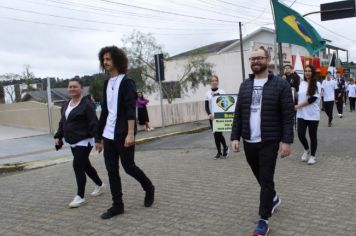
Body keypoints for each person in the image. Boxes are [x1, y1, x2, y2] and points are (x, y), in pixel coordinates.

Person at [231, 46, 294, 236]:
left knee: (265, 179)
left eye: (259, 58)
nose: (255, 61)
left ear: (268, 59)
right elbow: (238, 113)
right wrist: (235, 137)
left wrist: (286, 141)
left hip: (269, 140)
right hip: (249, 140)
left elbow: (287, 115)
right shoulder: (245, 85)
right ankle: (273, 198)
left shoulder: (280, 85)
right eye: (252, 59)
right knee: (261, 177)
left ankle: (264, 220)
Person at [96, 46, 155, 220]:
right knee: (111, 170)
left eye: (108, 59)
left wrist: (131, 134)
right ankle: (117, 205)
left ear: (117, 60)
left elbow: (131, 109)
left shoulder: (127, 82)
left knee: (128, 167)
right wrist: (99, 138)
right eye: (104, 59)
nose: (105, 62)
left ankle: (149, 187)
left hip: (123, 133)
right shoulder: (107, 82)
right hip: (108, 133)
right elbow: (105, 112)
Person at [54, 78, 104, 208]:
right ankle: (99, 183)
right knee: (85, 165)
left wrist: (98, 140)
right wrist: (58, 136)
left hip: (84, 140)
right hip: (72, 140)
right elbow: (62, 122)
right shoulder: (65, 104)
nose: (71, 89)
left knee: (77, 165)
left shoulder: (87, 105)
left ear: (81, 88)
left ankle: (80, 196)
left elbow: (94, 123)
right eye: (70, 87)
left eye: (75, 87)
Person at [294, 65, 321, 165]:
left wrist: (298, 106)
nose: (307, 73)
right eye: (306, 71)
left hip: (313, 114)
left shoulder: (317, 84)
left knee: (312, 136)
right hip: (301, 114)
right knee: (300, 134)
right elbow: (298, 95)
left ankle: (313, 156)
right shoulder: (302, 83)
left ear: (312, 73)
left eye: (309, 71)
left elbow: (312, 99)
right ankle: (306, 149)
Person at [204, 75, 229, 159]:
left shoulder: (222, 92)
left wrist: (216, 94)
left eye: (216, 80)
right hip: (212, 117)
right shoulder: (207, 93)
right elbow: (206, 106)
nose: (214, 82)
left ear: (218, 82)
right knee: (215, 135)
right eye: (212, 81)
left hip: (220, 117)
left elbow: (226, 103)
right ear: (210, 82)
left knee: (219, 134)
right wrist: (209, 114)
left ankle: (225, 147)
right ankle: (219, 152)